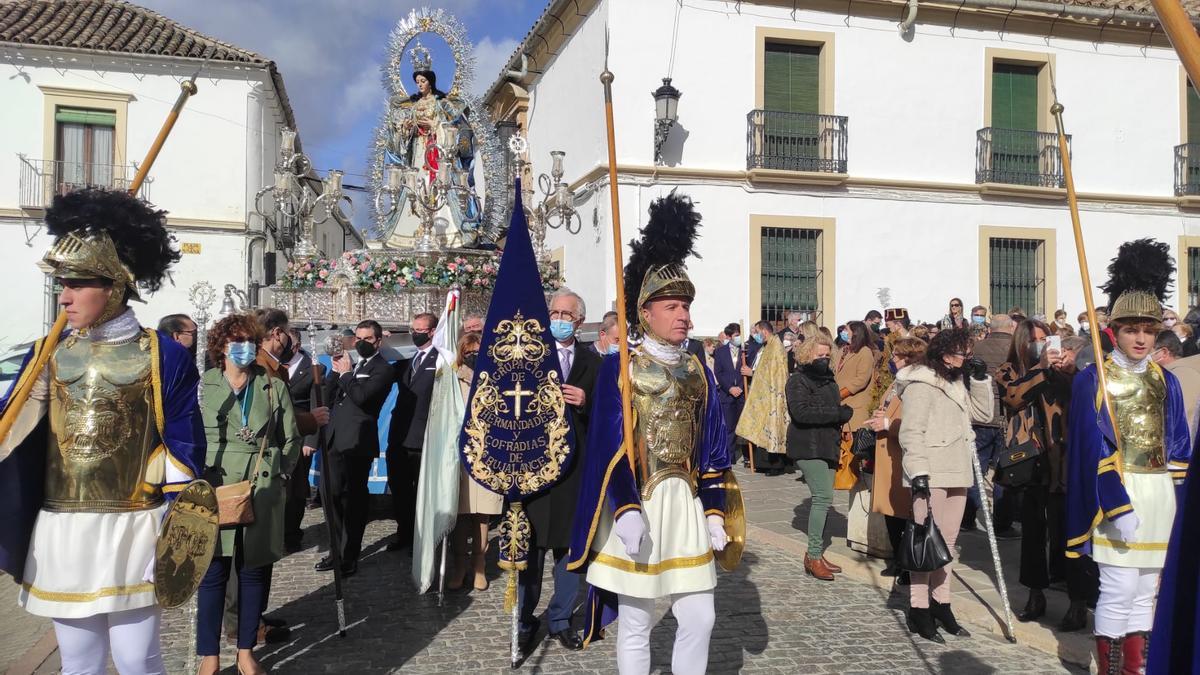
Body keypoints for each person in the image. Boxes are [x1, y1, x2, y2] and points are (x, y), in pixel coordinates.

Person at [0, 188, 203, 675]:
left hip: (133, 526)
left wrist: (176, 527)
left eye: (77, 284)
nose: (64, 297)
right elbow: (18, 436)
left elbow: (184, 442)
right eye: (61, 285)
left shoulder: (163, 354)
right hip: (62, 526)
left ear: (115, 285)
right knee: (79, 665)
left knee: (138, 662)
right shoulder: (45, 354)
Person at [568, 192, 731, 674]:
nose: (684, 315)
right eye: (673, 306)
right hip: (637, 505)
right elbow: (607, 447)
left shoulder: (699, 369)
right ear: (646, 313)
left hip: (685, 508)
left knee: (700, 615)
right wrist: (624, 510)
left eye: (686, 306)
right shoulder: (621, 370)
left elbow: (714, 447)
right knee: (637, 621)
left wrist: (716, 509)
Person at [1065, 240, 1190, 674]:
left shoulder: (1165, 380)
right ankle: (1111, 668)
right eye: (1132, 330)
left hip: (1158, 495)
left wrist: (1179, 500)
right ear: (1113, 331)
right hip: (1116, 495)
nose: (1141, 338)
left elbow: (1178, 446)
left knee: (1146, 591)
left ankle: (1136, 668)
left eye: (1149, 331)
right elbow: (1088, 449)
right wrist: (1115, 504)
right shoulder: (1091, 380)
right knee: (1117, 588)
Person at [196, 314, 301, 675]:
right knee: (213, 574)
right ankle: (208, 655)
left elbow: (291, 439)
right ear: (221, 347)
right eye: (236, 341)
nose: (244, 348)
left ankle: (245, 651)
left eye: (249, 341)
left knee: (253, 570)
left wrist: (281, 475)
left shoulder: (272, 387)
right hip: (216, 485)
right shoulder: (203, 386)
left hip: (261, 486)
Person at [896, 328, 994, 644]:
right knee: (926, 543)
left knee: (947, 545)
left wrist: (979, 380)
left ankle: (942, 603)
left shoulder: (955, 380)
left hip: (957, 469)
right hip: (932, 472)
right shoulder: (921, 384)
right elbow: (910, 431)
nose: (967, 357)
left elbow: (983, 414)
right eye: (963, 352)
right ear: (944, 352)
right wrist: (919, 472)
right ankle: (919, 608)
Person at [519, 289, 602, 654]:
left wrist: (587, 401)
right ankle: (523, 618)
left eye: (565, 314)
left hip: (575, 469)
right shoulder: (528, 358)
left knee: (570, 550)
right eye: (553, 312)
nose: (558, 319)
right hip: (535, 466)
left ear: (579, 321)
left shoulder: (594, 362)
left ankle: (561, 619)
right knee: (531, 549)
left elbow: (609, 415)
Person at [997, 320, 1092, 630]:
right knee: (1034, 534)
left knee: (1071, 532)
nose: (1042, 345)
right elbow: (1013, 398)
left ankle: (1078, 602)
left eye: (1045, 339)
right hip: (1033, 463)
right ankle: (1035, 595)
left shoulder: (1065, 371)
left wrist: (1071, 371)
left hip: (1065, 461)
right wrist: (1039, 367)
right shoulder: (1010, 370)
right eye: (1035, 340)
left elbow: (1082, 399)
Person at [317, 319, 393, 576]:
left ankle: (350, 554)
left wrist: (347, 374)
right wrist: (334, 373)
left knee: (353, 500)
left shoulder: (382, 369)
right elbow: (328, 398)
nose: (361, 343)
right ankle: (335, 550)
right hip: (335, 437)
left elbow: (362, 398)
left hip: (357, 441)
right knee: (331, 496)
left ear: (378, 341)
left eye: (367, 339)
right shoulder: (350, 365)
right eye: (357, 338)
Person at [785, 332, 852, 580]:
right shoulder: (798, 380)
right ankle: (813, 555)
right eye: (819, 355)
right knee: (822, 497)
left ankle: (816, 554)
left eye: (827, 355)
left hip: (828, 445)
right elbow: (801, 413)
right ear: (807, 354)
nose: (823, 359)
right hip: (808, 446)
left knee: (825, 497)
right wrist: (837, 413)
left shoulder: (829, 379)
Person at [867, 337, 926, 581]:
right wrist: (879, 414)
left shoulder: (918, 385)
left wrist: (888, 423)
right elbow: (889, 406)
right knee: (891, 514)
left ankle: (907, 563)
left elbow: (915, 423)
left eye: (897, 356)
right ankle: (896, 558)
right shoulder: (896, 381)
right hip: (886, 454)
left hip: (902, 454)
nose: (892, 359)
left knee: (905, 514)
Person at [447, 331, 501, 591]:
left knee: (482, 513)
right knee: (460, 513)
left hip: (486, 452)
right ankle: (460, 565)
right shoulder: (451, 378)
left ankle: (479, 565)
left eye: (478, 351)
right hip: (458, 453)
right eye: (468, 352)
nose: (473, 356)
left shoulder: (494, 378)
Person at [388, 312, 439, 551]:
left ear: (432, 332)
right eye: (413, 329)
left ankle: (421, 539)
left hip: (422, 436)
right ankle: (404, 532)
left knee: (421, 492)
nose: (415, 334)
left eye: (420, 330)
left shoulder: (440, 360)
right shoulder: (406, 358)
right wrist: (388, 342)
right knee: (400, 489)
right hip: (399, 434)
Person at [963, 313, 1015, 535]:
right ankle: (1002, 525)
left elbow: (967, 379)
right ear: (1011, 327)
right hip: (1005, 418)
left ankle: (967, 517)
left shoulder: (977, 348)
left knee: (976, 468)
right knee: (1004, 472)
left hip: (980, 416)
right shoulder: (1016, 349)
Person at [282, 327, 325, 552]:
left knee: (296, 490)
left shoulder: (313, 369)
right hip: (277, 435)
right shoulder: (270, 367)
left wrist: (311, 440)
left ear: (296, 346)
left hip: (301, 436)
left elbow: (316, 405)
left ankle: (291, 535)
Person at [1152, 330, 1200, 440]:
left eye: (1149, 351)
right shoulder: (1190, 368)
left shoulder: (1175, 377)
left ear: (1163, 352)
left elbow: (1185, 421)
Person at [713, 322, 749, 467]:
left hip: (742, 393)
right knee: (729, 427)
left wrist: (740, 387)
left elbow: (748, 368)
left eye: (740, 335)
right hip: (727, 395)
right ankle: (730, 456)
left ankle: (748, 457)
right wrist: (729, 388)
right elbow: (718, 372)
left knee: (745, 427)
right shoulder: (721, 352)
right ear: (728, 336)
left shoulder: (746, 350)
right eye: (735, 335)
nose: (738, 338)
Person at [835, 321, 877, 433]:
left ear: (855, 333)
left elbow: (861, 379)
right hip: (840, 405)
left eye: (846, 330)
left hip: (855, 404)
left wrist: (841, 394)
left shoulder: (865, 352)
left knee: (854, 442)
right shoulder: (842, 351)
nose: (843, 332)